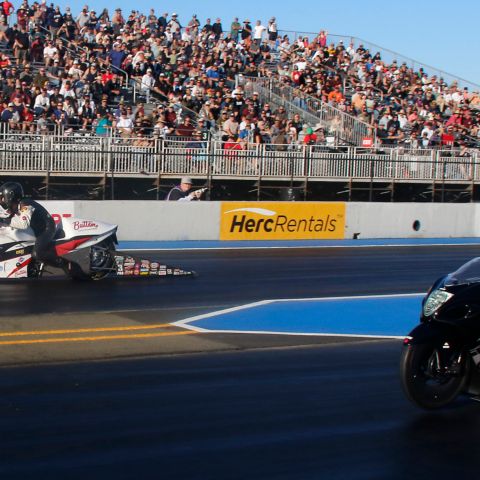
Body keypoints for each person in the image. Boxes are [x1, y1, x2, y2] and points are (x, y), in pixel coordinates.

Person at [0, 182, 57, 264]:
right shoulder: (16, 206)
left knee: (37, 254)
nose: (2, 201)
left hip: (46, 229)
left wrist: (2, 221)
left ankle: (67, 265)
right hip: (34, 229)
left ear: (10, 196)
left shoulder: (25, 204)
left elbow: (23, 224)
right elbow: (8, 218)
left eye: (2, 198)